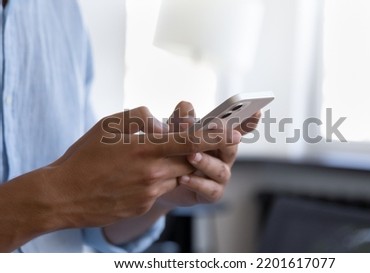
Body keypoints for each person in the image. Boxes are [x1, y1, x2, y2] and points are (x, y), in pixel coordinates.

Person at [0, 0, 260, 252]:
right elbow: (70, 199)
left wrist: (160, 193)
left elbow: (86, 225)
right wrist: (57, 197)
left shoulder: (64, 12)